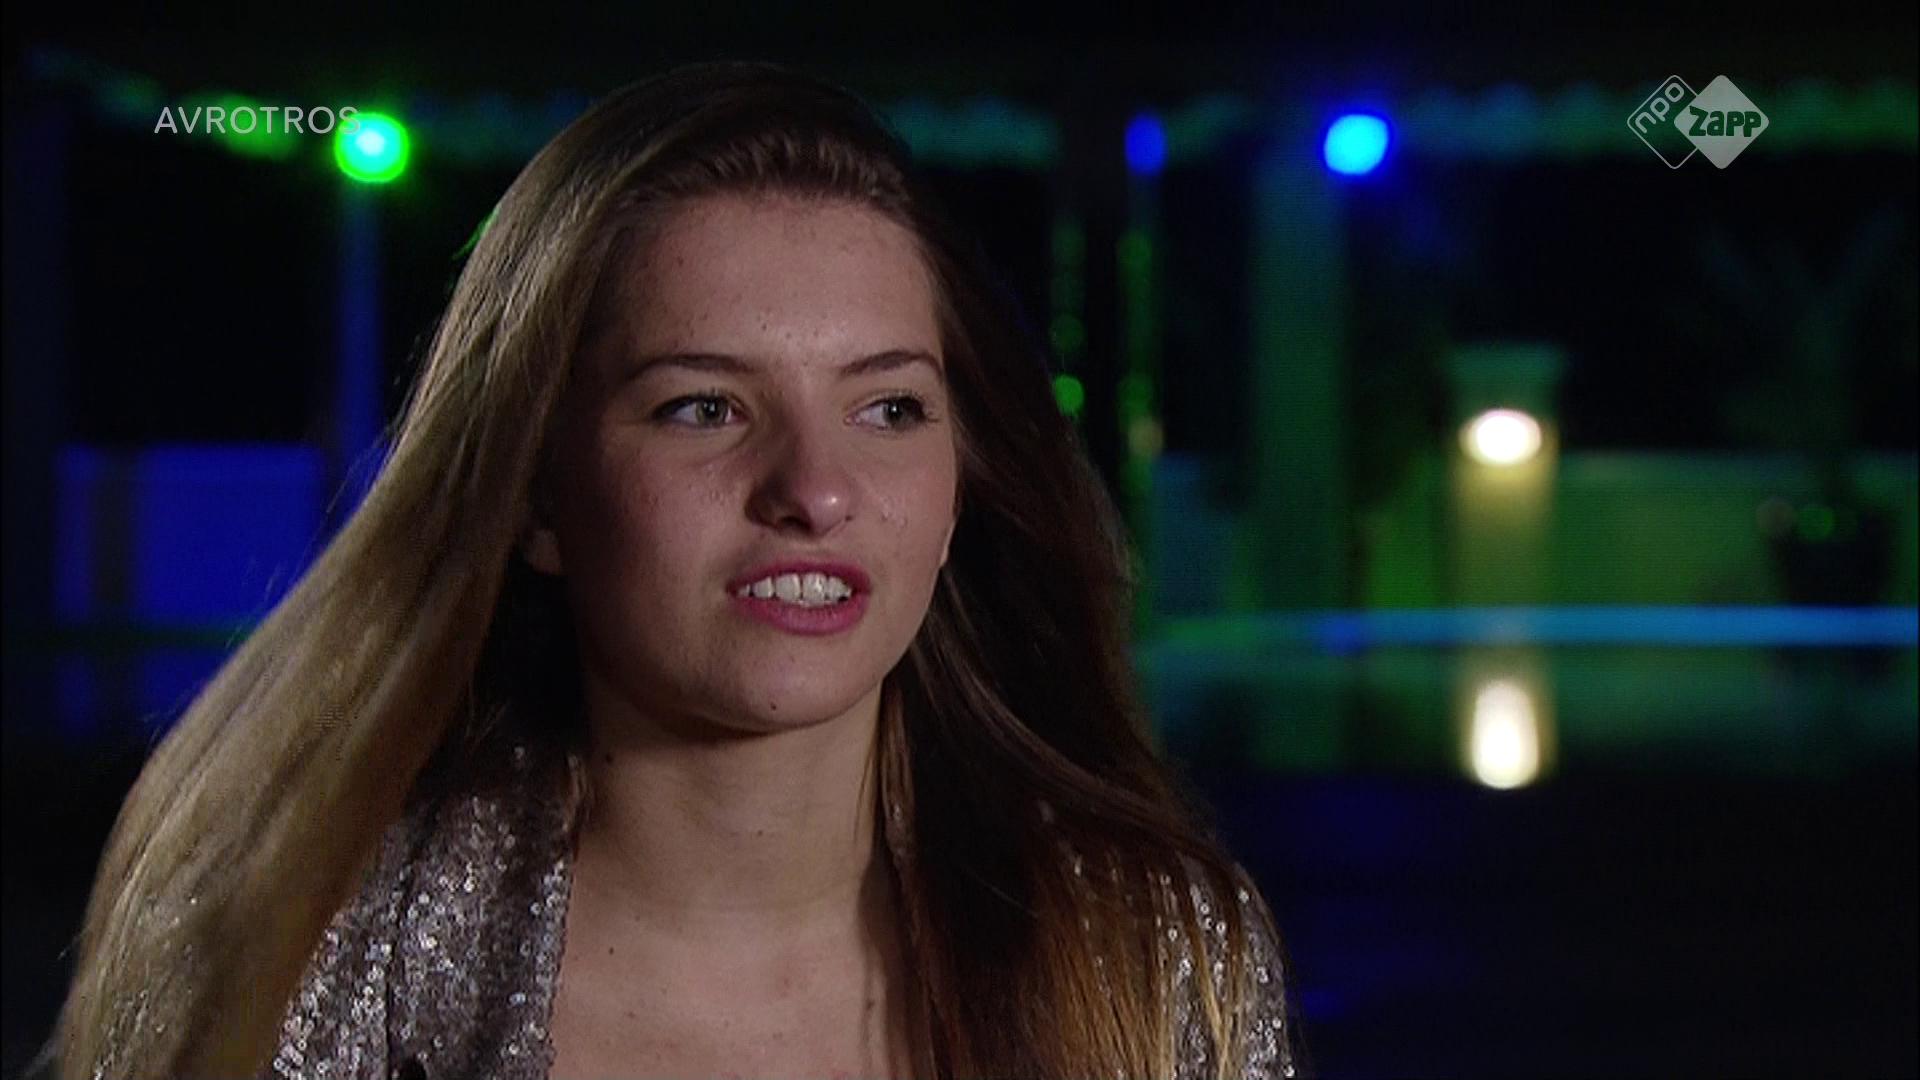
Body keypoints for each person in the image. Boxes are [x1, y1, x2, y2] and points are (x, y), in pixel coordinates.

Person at [46, 60, 1300, 1079]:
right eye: (703, 408)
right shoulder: (309, 951)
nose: (814, 490)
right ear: (539, 496)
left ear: (963, 479)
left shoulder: (1150, 953)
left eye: (889, 409)